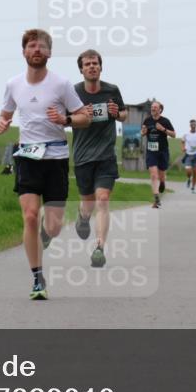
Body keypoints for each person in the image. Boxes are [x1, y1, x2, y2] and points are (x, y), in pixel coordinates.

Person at [0, 29, 89, 300]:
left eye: (42, 47)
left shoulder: (61, 84)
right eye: (32, 46)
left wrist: (66, 121)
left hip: (56, 159)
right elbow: (4, 114)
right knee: (30, 215)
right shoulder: (13, 84)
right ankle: (37, 278)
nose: (37, 50)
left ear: (50, 53)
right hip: (27, 157)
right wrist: (1, 123)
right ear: (24, 51)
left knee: (54, 226)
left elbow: (85, 117)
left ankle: (45, 237)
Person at [70, 49, 127, 268]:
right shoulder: (73, 92)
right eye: (87, 64)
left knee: (102, 199)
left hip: (106, 155)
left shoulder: (112, 90)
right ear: (81, 69)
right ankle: (83, 217)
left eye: (95, 63)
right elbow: (66, 119)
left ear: (101, 67)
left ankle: (99, 248)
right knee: (88, 204)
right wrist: (82, 115)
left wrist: (116, 113)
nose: (92, 66)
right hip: (83, 156)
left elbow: (123, 114)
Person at [141, 101, 175, 208]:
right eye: (152, 107)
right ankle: (156, 198)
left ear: (160, 109)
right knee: (153, 175)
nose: (153, 109)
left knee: (161, 176)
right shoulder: (147, 120)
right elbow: (142, 133)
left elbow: (174, 134)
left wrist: (163, 129)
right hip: (151, 152)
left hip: (163, 151)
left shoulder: (165, 121)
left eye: (155, 107)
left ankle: (163, 182)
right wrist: (143, 132)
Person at [181, 119, 196, 194]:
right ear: (190, 125)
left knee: (195, 172)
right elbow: (182, 141)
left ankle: (193, 188)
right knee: (188, 171)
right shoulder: (186, 134)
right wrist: (183, 148)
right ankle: (189, 178)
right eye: (192, 124)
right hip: (188, 155)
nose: (193, 126)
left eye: (194, 124)